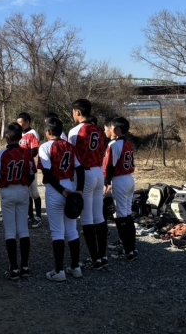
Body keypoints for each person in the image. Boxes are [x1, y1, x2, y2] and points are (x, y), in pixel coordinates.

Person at [38, 116, 85, 281]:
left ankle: (59, 271)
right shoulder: (70, 146)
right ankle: (75, 267)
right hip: (70, 185)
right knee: (72, 229)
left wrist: (61, 190)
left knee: (57, 231)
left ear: (48, 131)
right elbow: (80, 169)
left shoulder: (45, 147)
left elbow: (47, 173)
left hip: (56, 189)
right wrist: (79, 190)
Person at [68, 98, 108, 270]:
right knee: (99, 215)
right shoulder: (98, 129)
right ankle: (103, 255)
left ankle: (95, 259)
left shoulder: (75, 131)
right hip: (99, 171)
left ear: (77, 112)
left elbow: (71, 156)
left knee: (87, 218)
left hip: (85, 173)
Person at [0, 122, 36, 280]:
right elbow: (32, 173)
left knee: (10, 231)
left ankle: (14, 268)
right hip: (22, 189)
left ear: (7, 136)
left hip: (7, 190)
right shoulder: (26, 152)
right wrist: (24, 184)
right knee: (23, 229)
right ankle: (25, 266)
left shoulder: (1, 154)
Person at [103, 116, 138, 260]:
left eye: (109, 128)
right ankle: (131, 247)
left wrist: (106, 182)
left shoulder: (114, 144)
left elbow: (109, 166)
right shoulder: (127, 143)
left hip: (120, 180)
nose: (107, 130)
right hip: (129, 179)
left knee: (121, 215)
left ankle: (128, 251)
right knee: (127, 213)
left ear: (116, 130)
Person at [17, 112, 42, 228]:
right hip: (21, 167)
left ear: (27, 122)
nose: (19, 125)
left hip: (30, 166)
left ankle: (38, 216)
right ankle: (30, 216)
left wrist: (25, 156)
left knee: (34, 192)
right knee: (26, 192)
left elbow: (34, 151)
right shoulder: (18, 133)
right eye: (17, 123)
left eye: (21, 122)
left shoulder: (32, 133)